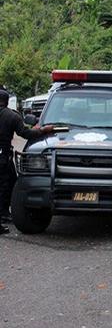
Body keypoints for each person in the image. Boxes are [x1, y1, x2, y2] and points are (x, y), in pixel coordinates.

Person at [0, 89, 53, 232]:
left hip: (4, 157)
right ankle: (2, 215)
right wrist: (42, 130)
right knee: (5, 185)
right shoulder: (11, 116)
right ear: (6, 101)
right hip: (2, 157)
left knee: (10, 182)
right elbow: (25, 133)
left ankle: (4, 213)